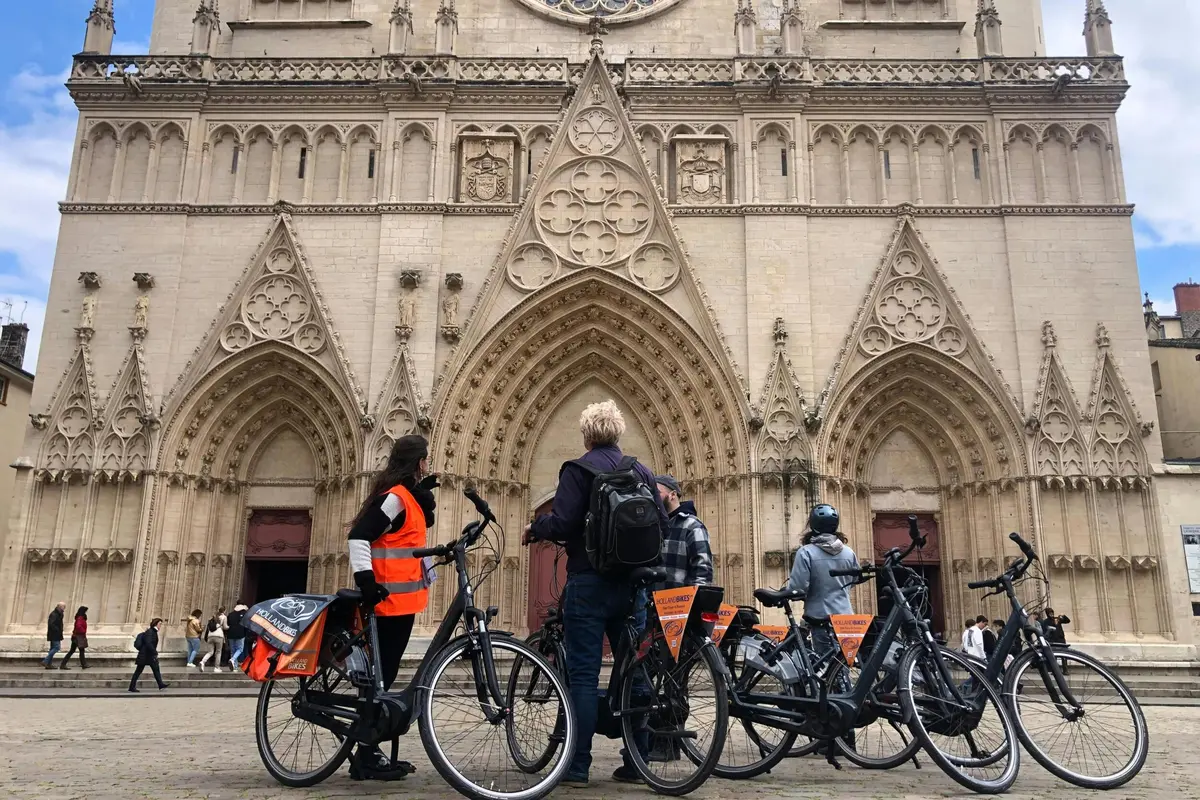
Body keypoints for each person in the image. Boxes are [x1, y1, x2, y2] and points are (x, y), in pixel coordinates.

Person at [523, 399, 669, 786]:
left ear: (586, 436)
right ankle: (637, 761)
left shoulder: (577, 470)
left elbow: (564, 523)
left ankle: (578, 765)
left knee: (584, 677)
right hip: (631, 588)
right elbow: (663, 526)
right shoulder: (641, 471)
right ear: (619, 433)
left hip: (588, 584)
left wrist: (538, 527)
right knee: (635, 674)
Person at [345, 434, 439, 780]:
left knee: (385, 674)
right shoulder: (395, 498)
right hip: (385, 603)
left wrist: (422, 500)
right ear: (418, 463)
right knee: (379, 675)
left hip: (402, 603)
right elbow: (359, 535)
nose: (429, 464)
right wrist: (366, 582)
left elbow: (407, 540)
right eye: (426, 459)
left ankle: (370, 749)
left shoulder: (406, 498)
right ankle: (365, 754)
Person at [654, 475, 714, 590]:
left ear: (672, 495)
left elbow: (702, 572)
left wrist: (693, 603)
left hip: (678, 604)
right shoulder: (650, 525)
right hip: (648, 603)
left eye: (657, 493)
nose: (653, 497)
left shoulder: (692, 526)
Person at [129, 618, 169, 692]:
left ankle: (160, 684)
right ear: (156, 624)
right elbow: (148, 643)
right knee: (138, 671)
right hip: (145, 655)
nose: (161, 625)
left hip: (149, 655)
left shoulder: (153, 631)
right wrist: (154, 652)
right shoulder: (150, 632)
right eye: (160, 624)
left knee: (156, 669)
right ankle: (131, 687)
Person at [198, 606, 227, 672]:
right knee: (218, 652)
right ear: (224, 611)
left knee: (210, 652)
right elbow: (225, 627)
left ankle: (202, 662)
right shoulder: (224, 617)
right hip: (219, 636)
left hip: (210, 636)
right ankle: (217, 668)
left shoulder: (212, 617)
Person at [42, 602, 66, 669]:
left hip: (56, 634)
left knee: (52, 648)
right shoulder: (54, 614)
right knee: (56, 647)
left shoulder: (59, 614)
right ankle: (45, 661)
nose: (64, 608)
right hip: (54, 634)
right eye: (63, 606)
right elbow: (51, 624)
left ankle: (49, 664)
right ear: (59, 607)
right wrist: (57, 630)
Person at [227, 601, 249, 670]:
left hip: (231, 634)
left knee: (233, 650)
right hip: (240, 633)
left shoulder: (230, 614)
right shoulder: (244, 613)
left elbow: (228, 624)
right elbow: (246, 625)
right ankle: (233, 659)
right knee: (240, 649)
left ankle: (235, 667)